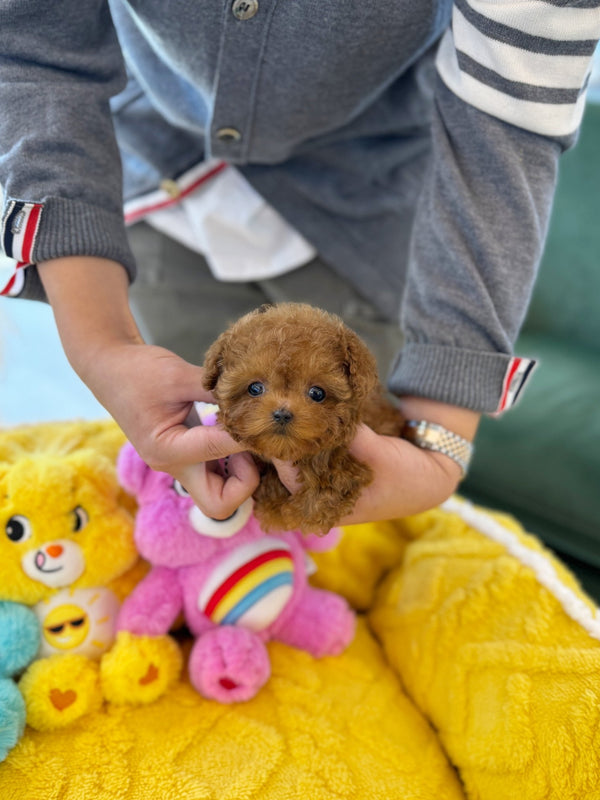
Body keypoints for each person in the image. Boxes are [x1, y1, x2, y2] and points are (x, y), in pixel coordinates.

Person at [0, 2, 598, 524]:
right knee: (197, 491)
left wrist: (442, 442)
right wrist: (100, 345)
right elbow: (37, 45)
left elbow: (509, 117)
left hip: (372, 215)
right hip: (154, 185)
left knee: (343, 506)